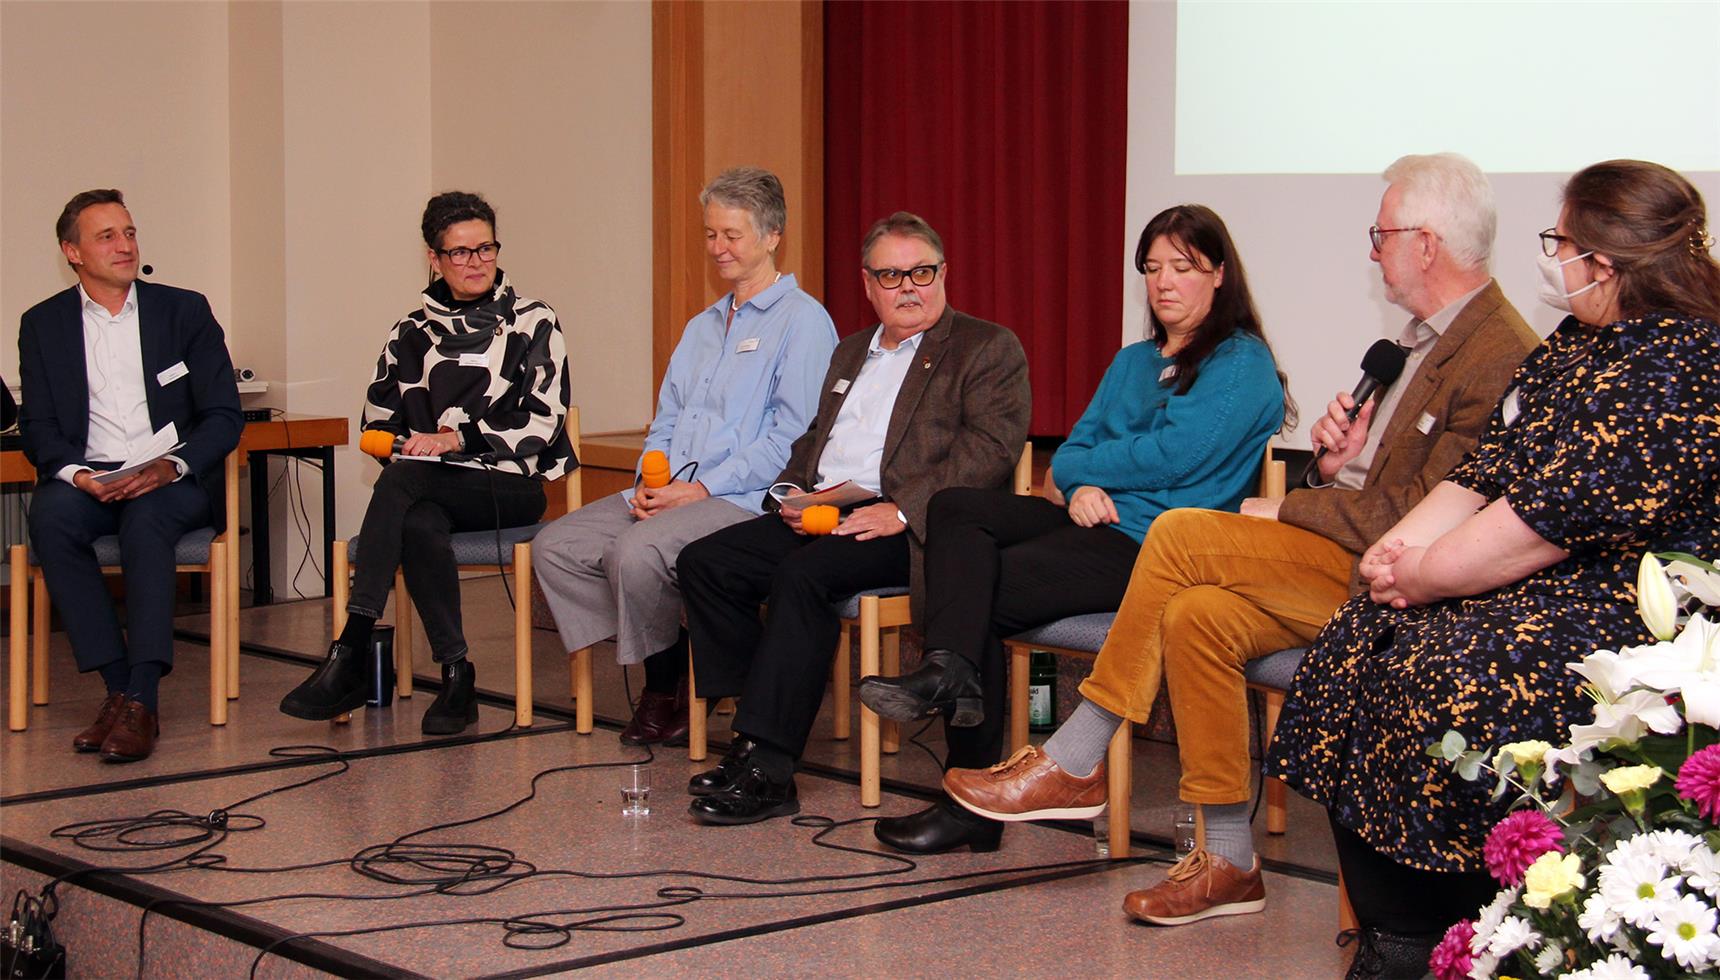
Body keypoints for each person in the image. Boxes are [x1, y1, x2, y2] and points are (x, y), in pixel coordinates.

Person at [941, 153, 1541, 921]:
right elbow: (1377, 488)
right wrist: (1330, 468)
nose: (1371, 250)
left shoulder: (1500, 354)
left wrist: (1290, 508)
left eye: (1381, 234)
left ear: (1427, 243)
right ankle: (1228, 860)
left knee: (1183, 536)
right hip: (1340, 551)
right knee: (1195, 617)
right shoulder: (1420, 341)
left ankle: (1077, 754)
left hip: (1395, 584)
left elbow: (1430, 513)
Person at [1269, 160, 1720, 977]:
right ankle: (1396, 935)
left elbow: (1547, 520)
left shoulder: (1681, 362)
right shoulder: (1578, 341)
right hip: (1534, 567)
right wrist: (1397, 549)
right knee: (1357, 638)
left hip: (1628, 600)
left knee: (1447, 666)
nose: (1551, 257)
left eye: (1562, 243)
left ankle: (1474, 925)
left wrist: (1425, 575)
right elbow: (1489, 468)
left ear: (1607, 262)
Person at [859, 204, 1290, 855]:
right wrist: (1083, 483)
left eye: (1183, 267)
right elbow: (1074, 452)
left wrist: (1096, 475)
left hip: (1156, 547)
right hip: (1088, 519)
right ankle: (950, 672)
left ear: (1220, 274)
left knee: (976, 589)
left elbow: (1180, 457)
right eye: (1151, 268)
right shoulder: (1132, 362)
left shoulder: (1241, 362)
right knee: (955, 507)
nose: (1163, 282)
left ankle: (970, 803)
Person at [675, 211, 1031, 825]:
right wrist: (790, 492)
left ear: (944, 273)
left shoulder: (984, 346)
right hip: (821, 507)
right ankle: (755, 727)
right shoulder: (850, 349)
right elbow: (815, 438)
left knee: (804, 578)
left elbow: (992, 450)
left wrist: (901, 509)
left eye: (921, 271)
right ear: (867, 284)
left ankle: (771, 764)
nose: (907, 288)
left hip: (913, 522)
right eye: (890, 276)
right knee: (705, 563)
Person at [531, 167, 836, 745]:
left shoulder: (804, 323)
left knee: (635, 553)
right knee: (557, 547)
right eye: (710, 234)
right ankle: (678, 645)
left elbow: (793, 438)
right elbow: (667, 419)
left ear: (773, 236)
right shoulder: (701, 327)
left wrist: (698, 490)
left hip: (742, 498)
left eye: (732, 235)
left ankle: (663, 684)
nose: (718, 247)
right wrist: (655, 480)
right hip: (673, 489)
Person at [279, 191, 575, 736]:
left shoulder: (534, 321)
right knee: (415, 515)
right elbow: (377, 425)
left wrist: (453, 438)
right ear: (434, 259)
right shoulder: (408, 332)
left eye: (485, 248)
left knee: (406, 480)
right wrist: (413, 445)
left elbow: (542, 423)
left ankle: (352, 642)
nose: (476, 262)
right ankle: (457, 674)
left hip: (510, 485)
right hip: (427, 490)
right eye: (459, 252)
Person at [18, 189, 242, 762]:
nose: (125, 246)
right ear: (72, 251)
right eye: (107, 236)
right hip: (92, 477)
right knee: (49, 517)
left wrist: (170, 466)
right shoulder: (43, 324)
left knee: (146, 521)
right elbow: (38, 427)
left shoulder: (184, 310)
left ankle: (142, 696)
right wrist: (77, 476)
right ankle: (119, 688)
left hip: (171, 479)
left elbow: (223, 416)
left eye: (129, 232)